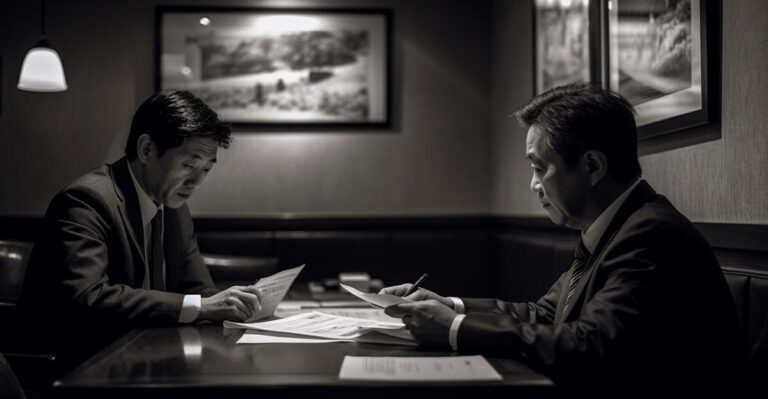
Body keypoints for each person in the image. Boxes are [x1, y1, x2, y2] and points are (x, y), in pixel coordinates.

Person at [381, 83, 744, 395]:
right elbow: (544, 314)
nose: (533, 185)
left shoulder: (652, 234)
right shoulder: (616, 224)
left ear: (592, 167)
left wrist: (455, 329)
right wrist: (451, 305)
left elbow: (591, 345)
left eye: (539, 168)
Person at [19, 89, 262, 375]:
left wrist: (234, 305)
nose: (196, 181)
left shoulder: (175, 208)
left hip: (146, 360)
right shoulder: (87, 199)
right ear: (146, 149)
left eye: (206, 169)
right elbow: (87, 297)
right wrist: (203, 305)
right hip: (77, 368)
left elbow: (197, 289)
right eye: (188, 165)